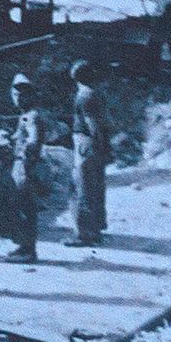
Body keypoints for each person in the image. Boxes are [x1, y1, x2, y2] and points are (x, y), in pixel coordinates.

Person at [67, 60, 111, 247]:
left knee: (82, 188)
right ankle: (96, 229)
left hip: (86, 144)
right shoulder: (95, 94)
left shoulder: (84, 96)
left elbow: (93, 125)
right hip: (94, 144)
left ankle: (84, 234)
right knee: (95, 187)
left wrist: (97, 146)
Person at [5, 73, 45, 263]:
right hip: (22, 165)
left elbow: (34, 140)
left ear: (31, 95)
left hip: (25, 166)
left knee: (25, 208)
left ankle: (28, 250)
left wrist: (24, 152)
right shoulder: (25, 115)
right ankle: (24, 246)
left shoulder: (32, 116)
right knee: (21, 208)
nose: (18, 98)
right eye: (15, 94)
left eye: (23, 94)